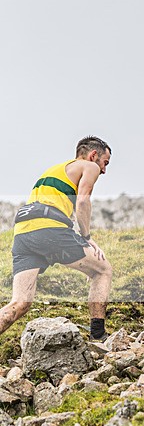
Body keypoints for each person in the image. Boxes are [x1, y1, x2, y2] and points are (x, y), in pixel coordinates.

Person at [0, 136, 113, 340]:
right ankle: (98, 336)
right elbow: (83, 201)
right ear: (93, 155)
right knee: (103, 270)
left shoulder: (54, 170)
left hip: (23, 233)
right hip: (49, 229)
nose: (104, 170)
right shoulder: (89, 166)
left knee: (20, 303)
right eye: (105, 162)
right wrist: (86, 237)